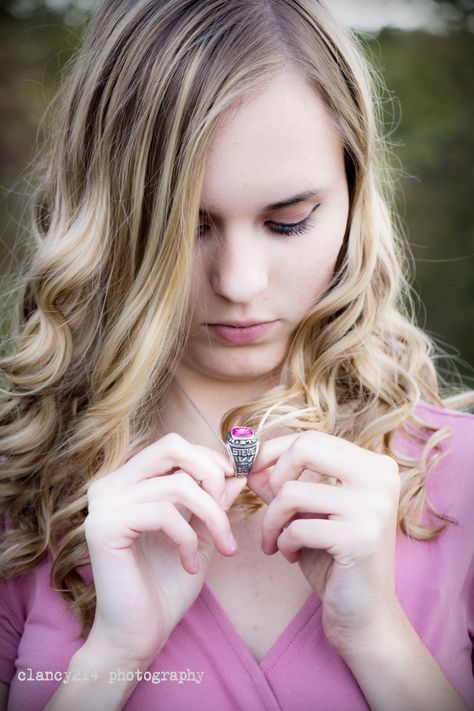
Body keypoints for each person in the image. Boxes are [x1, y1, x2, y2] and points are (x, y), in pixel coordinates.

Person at [0, 0, 473, 709]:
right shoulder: (19, 493)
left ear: (354, 192)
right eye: (187, 225)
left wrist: (379, 638)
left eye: (288, 221)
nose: (240, 283)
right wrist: (111, 657)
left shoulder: (461, 476)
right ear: (110, 215)